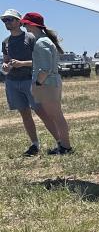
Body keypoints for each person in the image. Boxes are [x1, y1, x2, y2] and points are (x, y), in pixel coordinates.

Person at [1, 8, 52, 156]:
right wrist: (6, 66)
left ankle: (60, 142)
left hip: (30, 80)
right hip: (12, 81)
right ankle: (35, 145)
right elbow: (6, 61)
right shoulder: (5, 42)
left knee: (41, 112)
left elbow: (39, 61)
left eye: (9, 19)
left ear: (18, 21)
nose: (6, 22)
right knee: (24, 113)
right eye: (4, 20)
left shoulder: (30, 38)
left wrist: (22, 63)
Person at [21, 12, 73, 154]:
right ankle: (64, 146)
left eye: (25, 24)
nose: (24, 26)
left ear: (32, 25)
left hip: (46, 84)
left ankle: (66, 147)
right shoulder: (44, 40)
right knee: (56, 116)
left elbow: (44, 68)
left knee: (56, 116)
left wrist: (37, 84)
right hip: (51, 82)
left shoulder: (41, 42)